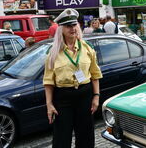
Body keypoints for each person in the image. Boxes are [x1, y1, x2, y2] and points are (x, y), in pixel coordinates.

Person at [43, 8, 102, 148]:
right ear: (61, 29)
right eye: (68, 26)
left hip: (84, 96)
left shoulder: (88, 48)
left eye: (74, 24)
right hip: (63, 99)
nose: (72, 28)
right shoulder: (52, 52)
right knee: (61, 138)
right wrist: (49, 104)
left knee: (86, 136)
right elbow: (48, 81)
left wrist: (96, 96)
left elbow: (95, 74)